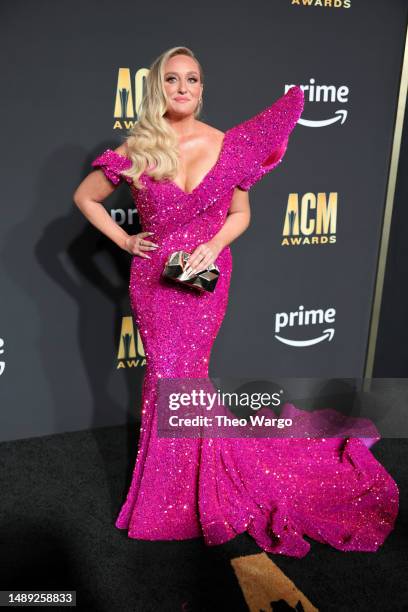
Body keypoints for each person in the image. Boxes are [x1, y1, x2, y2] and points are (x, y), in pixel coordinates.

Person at [73, 46, 399, 558]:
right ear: (158, 87)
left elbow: (240, 213)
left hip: (207, 278)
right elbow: (86, 197)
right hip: (154, 282)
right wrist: (125, 241)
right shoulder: (138, 147)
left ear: (202, 90)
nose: (182, 88)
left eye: (192, 80)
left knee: (187, 374)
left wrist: (213, 246)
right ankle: (171, 494)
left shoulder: (228, 145)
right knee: (163, 373)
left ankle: (181, 491)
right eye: (173, 79)